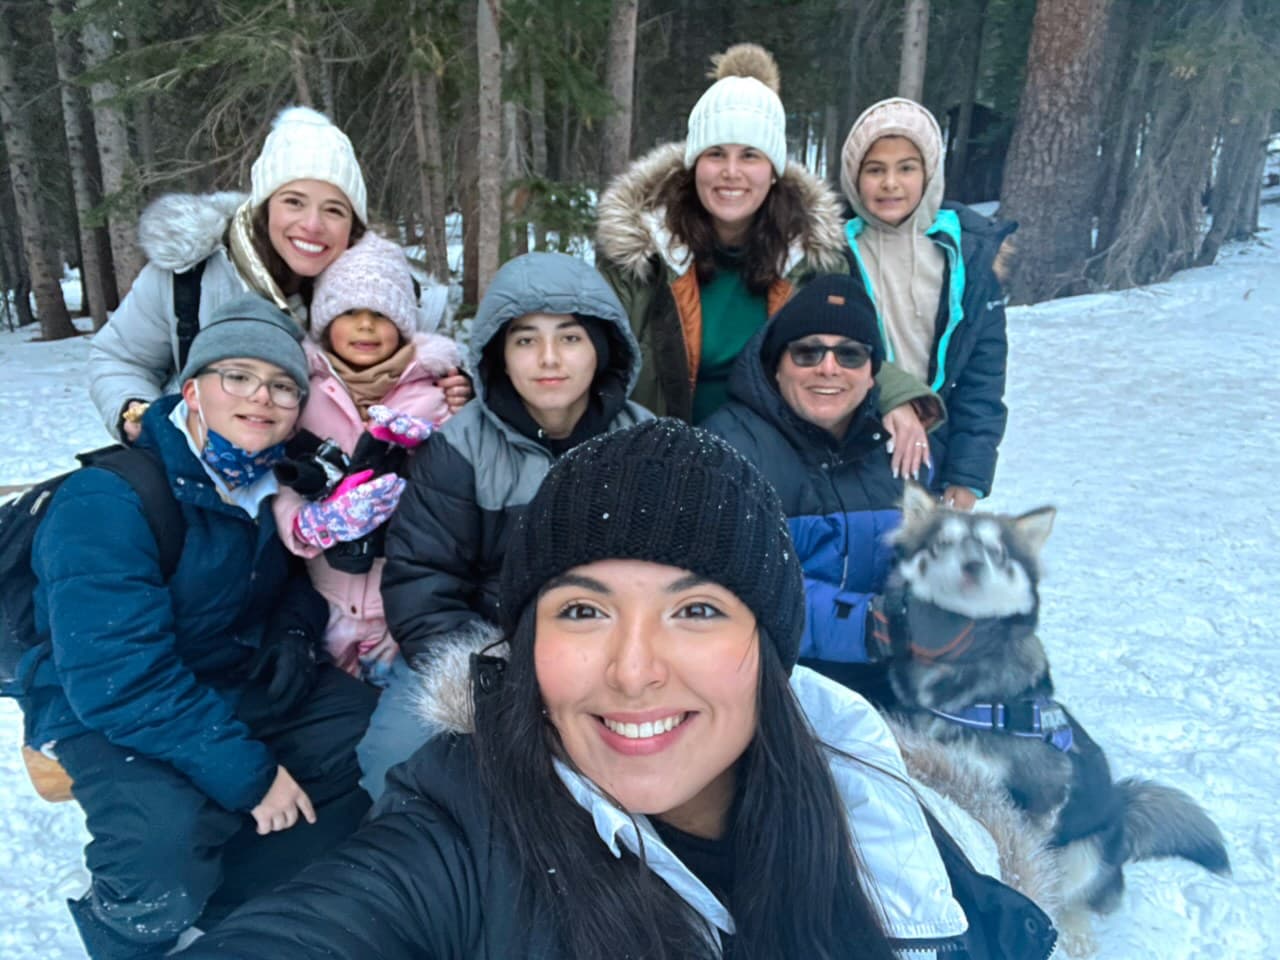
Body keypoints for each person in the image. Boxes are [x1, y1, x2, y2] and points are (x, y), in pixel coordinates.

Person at [177, 419, 1056, 959]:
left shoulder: (884, 823)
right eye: (584, 611)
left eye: (697, 611)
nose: (634, 671)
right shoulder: (458, 832)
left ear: (769, 649)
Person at [13, 295, 378, 960]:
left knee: (372, 741)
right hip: (100, 703)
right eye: (237, 376)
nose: (261, 397)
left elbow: (289, 586)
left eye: (282, 386)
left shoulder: (267, 484)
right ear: (192, 392)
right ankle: (133, 934)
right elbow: (115, 675)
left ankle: (239, 910)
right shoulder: (109, 499)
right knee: (165, 844)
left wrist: (294, 634)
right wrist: (252, 777)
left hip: (220, 676)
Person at [355, 251, 652, 797]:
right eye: (525, 340)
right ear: (500, 356)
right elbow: (423, 581)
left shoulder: (646, 446)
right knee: (394, 763)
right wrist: (494, 672)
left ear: (601, 348)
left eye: (570, 337)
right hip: (483, 643)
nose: (548, 358)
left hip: (614, 649)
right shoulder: (459, 448)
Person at [88, 105, 468, 443]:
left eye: (334, 209)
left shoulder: (388, 292)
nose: (312, 225)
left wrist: (457, 388)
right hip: (205, 473)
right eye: (294, 202)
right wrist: (135, 412)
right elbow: (120, 357)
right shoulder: (189, 278)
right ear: (265, 206)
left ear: (353, 223)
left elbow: (429, 376)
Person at [704, 273, 943, 703]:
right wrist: (864, 624)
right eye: (807, 352)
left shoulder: (900, 447)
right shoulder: (726, 451)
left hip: (891, 678)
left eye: (850, 354)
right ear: (776, 366)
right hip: (772, 681)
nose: (828, 368)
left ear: (872, 374)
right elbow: (727, 586)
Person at [595, 43, 854, 424]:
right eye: (716, 153)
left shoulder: (814, 258)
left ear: (773, 170)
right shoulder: (640, 254)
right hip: (659, 444)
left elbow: (853, 350)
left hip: (774, 448)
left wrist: (900, 397)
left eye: (750, 155)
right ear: (694, 164)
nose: (731, 172)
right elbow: (592, 355)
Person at [271, 232, 464, 684]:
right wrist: (306, 523)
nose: (365, 326)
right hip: (323, 605)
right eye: (349, 313)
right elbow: (277, 478)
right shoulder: (303, 394)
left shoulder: (435, 396)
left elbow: (456, 499)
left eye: (380, 315)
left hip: (402, 610)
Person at [839, 97, 1016, 510]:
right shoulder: (833, 251)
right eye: (875, 169)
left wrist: (968, 473)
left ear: (930, 173)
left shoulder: (967, 258)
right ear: (854, 176)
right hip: (853, 445)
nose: (890, 183)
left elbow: (982, 379)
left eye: (906, 168)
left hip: (935, 449)